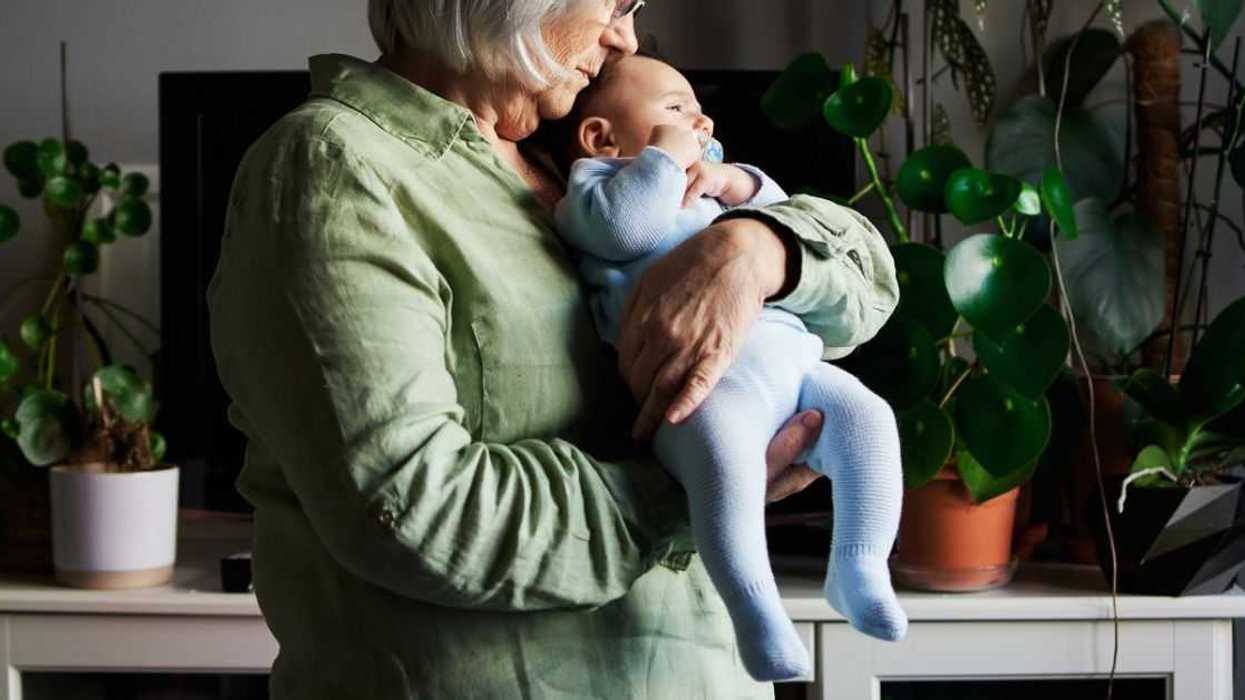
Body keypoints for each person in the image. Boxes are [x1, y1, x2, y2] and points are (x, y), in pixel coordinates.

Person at [207, 1, 900, 697]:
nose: (625, 37)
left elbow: (867, 288)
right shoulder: (333, 167)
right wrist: (687, 486)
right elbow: (410, 513)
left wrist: (754, 246)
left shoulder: (573, 144)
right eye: (616, 3)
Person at [553, 54, 907, 682]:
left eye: (696, 108)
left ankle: (859, 567)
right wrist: (663, 156)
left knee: (870, 420)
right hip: (703, 388)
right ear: (601, 136)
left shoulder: (706, 184)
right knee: (729, 468)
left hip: (790, 358)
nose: (698, 118)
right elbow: (627, 233)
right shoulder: (595, 188)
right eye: (673, 108)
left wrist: (729, 181)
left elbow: (778, 210)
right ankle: (756, 613)